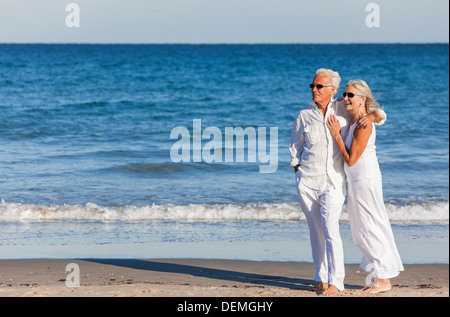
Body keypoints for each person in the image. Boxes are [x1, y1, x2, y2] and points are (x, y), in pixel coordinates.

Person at [289, 69, 386, 296]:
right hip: (307, 181)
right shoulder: (304, 114)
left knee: (331, 229)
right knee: (315, 231)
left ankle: (336, 281)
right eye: (312, 86)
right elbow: (295, 145)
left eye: (319, 86)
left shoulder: (343, 106)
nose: (314, 90)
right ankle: (321, 278)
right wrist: (297, 170)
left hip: (333, 181)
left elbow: (378, 112)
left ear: (331, 90)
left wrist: (373, 116)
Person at [326, 79, 403, 294]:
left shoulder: (364, 123)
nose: (347, 98)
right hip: (357, 181)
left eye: (352, 95)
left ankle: (384, 279)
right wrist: (372, 112)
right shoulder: (355, 120)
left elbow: (351, 159)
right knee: (361, 229)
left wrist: (335, 135)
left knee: (370, 227)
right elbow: (380, 114)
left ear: (363, 99)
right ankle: (380, 275)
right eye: (345, 94)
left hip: (365, 180)